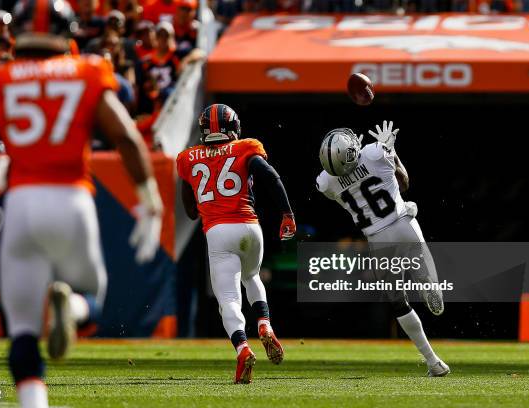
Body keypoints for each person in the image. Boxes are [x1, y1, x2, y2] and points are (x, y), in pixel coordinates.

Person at [0, 1, 163, 407]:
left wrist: (0, 172)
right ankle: (70, 310)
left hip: (20, 206)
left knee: (21, 332)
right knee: (92, 293)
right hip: (72, 198)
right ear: (66, 31)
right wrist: (149, 197)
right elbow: (125, 137)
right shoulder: (87, 71)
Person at [315, 121, 450, 377]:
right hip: (403, 223)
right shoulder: (375, 152)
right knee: (419, 250)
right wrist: (392, 152)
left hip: (377, 238)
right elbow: (405, 182)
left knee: (398, 303)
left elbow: (344, 176)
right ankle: (430, 284)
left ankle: (433, 362)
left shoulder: (326, 184)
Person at [176, 104, 296, 384]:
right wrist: (287, 213)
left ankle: (243, 349)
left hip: (218, 231)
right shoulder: (246, 147)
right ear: (233, 127)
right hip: (251, 227)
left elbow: (191, 211)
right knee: (252, 275)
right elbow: (270, 176)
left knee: (228, 300)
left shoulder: (187, 158)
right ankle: (264, 324)